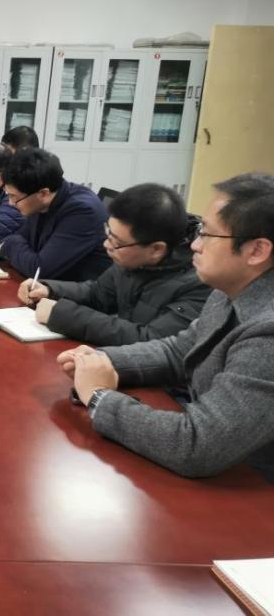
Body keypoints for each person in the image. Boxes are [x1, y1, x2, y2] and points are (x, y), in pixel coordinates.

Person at [58, 173, 274, 481]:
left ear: (257, 251)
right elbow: (178, 350)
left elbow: (197, 444)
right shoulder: (228, 292)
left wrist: (99, 396)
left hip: (251, 489)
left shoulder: (268, 332)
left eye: (207, 234)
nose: (195, 245)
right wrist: (100, 360)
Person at [18, 183, 211, 345]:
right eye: (108, 233)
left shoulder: (201, 283)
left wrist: (62, 315)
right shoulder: (132, 259)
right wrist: (50, 290)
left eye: (116, 242)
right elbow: (97, 294)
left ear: (156, 249)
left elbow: (151, 340)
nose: (106, 245)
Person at [0, 147, 111, 281]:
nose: (11, 203)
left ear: (43, 193)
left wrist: (8, 244)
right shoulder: (40, 198)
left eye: (14, 197)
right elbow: (22, 235)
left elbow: (39, 269)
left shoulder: (82, 212)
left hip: (77, 291)